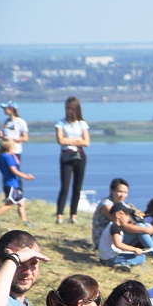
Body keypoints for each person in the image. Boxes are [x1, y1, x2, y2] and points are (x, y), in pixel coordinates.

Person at [92, 178, 153, 269]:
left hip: (119, 236)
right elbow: (123, 225)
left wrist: (150, 228)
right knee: (142, 228)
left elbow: (131, 220)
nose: (123, 195)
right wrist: (147, 230)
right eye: (120, 191)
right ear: (111, 190)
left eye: (125, 192)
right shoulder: (106, 205)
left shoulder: (122, 204)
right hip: (107, 241)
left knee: (146, 226)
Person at [55, 96, 90, 225]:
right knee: (64, 187)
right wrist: (77, 140)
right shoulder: (60, 122)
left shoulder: (82, 123)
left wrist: (69, 140)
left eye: (71, 109)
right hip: (66, 156)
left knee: (77, 187)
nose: (69, 111)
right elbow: (60, 140)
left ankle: (73, 215)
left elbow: (86, 142)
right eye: (67, 108)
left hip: (80, 156)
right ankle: (59, 215)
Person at [97, 203, 147, 272]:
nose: (128, 218)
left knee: (137, 256)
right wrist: (134, 249)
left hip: (105, 258)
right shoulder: (115, 227)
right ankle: (124, 264)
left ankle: (122, 264)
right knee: (141, 257)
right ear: (118, 215)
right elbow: (118, 244)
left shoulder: (112, 225)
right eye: (126, 215)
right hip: (110, 259)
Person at [0, 138, 34, 225]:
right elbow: (13, 170)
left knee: (21, 202)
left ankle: (25, 221)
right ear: (10, 148)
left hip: (9, 183)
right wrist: (26, 176)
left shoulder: (1, 157)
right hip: (11, 184)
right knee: (8, 205)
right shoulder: (8, 157)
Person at [0, 101, 28, 191]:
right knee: (6, 173)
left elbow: (25, 138)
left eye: (5, 108)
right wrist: (1, 136)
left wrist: (13, 139)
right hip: (4, 152)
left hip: (14, 151)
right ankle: (8, 193)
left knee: (16, 173)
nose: (4, 110)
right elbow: (4, 135)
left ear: (11, 109)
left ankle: (19, 194)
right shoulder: (5, 121)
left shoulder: (20, 122)